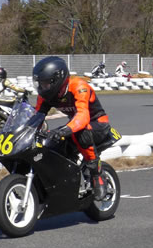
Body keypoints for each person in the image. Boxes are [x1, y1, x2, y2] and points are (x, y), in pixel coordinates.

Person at [32, 56, 112, 198]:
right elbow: (36, 117)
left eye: (45, 83)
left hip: (98, 124)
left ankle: (97, 175)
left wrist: (64, 130)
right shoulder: (45, 96)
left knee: (79, 133)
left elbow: (83, 116)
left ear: (57, 80)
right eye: (40, 84)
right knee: (51, 143)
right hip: (76, 124)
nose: (42, 88)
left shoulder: (79, 86)